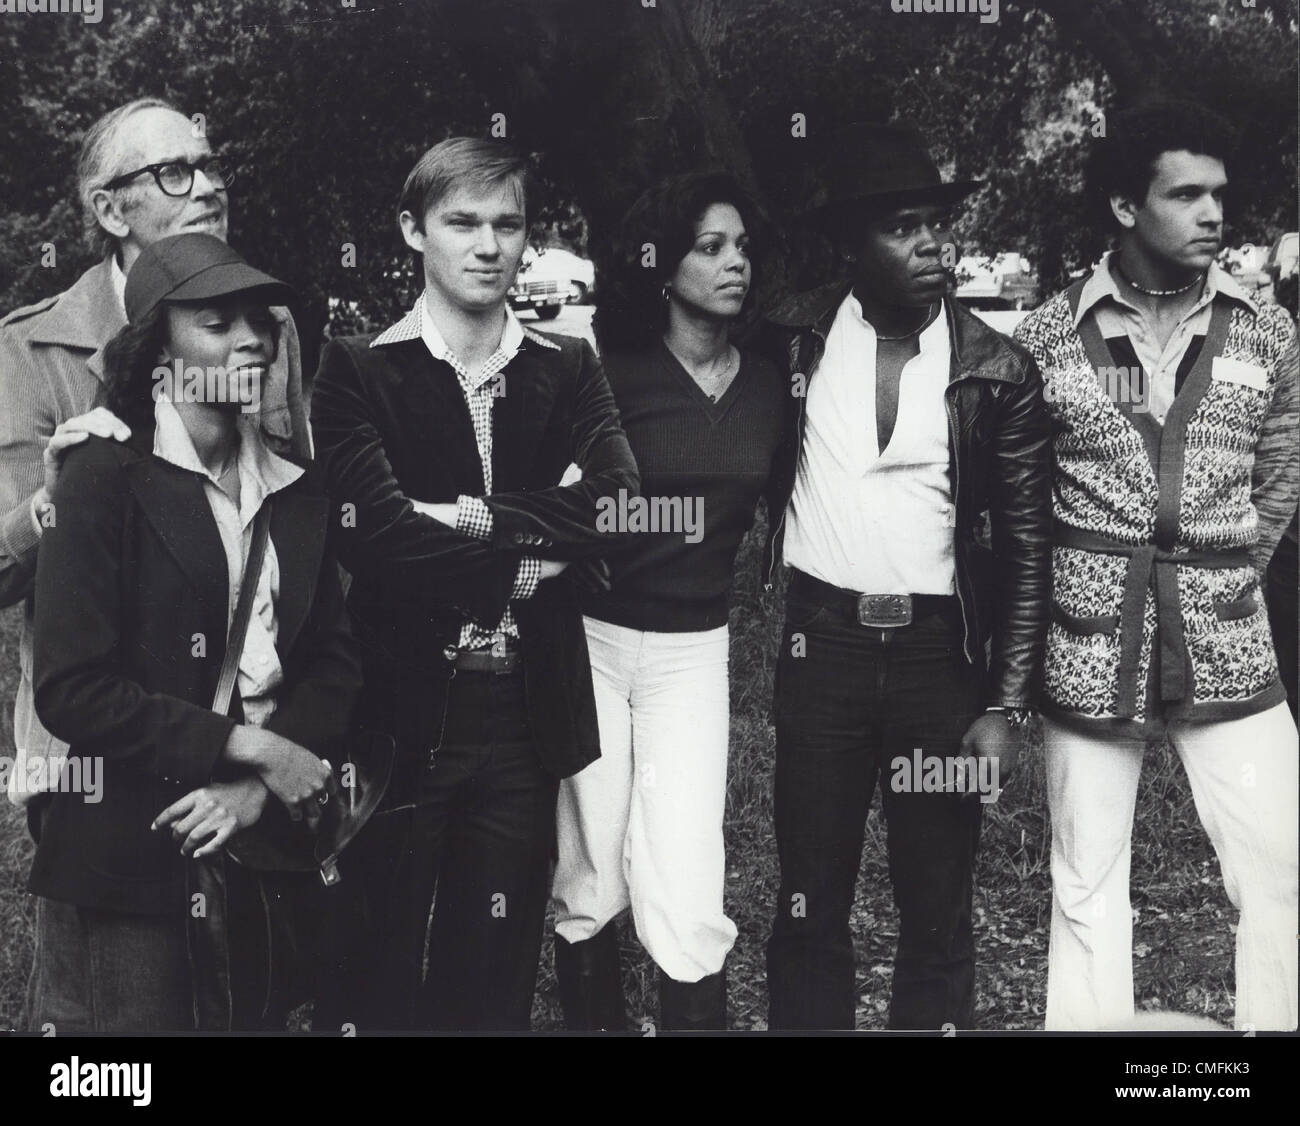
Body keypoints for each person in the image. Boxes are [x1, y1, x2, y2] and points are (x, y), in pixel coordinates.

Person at [310, 136, 639, 1031]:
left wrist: (462, 516)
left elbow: (619, 506)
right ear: (413, 230)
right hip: (402, 704)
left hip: (524, 713)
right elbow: (377, 536)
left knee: (489, 975)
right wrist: (541, 547)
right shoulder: (358, 369)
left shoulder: (567, 365)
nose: (489, 245)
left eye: (509, 223)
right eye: (463, 222)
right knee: (375, 963)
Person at [1014, 100, 1299, 1032]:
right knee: (1086, 881)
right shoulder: (1049, 336)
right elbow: (1018, 496)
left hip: (1230, 648)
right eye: (1186, 194)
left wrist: (1230, 571)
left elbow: (1282, 461)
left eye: (1219, 194)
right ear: (1125, 207)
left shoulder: (1264, 333)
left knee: (1282, 864)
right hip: (1091, 645)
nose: (1213, 213)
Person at [26, 233, 359, 1032]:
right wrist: (251, 747)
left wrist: (255, 789)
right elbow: (73, 690)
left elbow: (335, 663)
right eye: (217, 322)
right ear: (158, 349)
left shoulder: (298, 487)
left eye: (261, 321)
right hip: (137, 845)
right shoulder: (104, 477)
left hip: (261, 839)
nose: (252, 337)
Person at [761, 123, 1052, 1030]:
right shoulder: (792, 343)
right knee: (810, 899)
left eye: (937, 224)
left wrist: (1004, 707)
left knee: (937, 906)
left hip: (938, 661)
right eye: (903, 227)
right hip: (823, 655)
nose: (933, 244)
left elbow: (1030, 547)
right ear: (852, 242)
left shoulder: (996, 369)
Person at [0, 97, 310, 822]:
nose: (206, 188)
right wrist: (52, 501)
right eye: (174, 172)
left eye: (208, 167)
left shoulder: (269, 327)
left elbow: (299, 530)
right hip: (98, 764)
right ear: (111, 210)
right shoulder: (31, 348)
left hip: (256, 748)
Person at [550, 172, 786, 1031]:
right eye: (710, 247)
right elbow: (552, 505)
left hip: (694, 651)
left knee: (688, 872)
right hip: (596, 641)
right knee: (591, 872)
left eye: (743, 247)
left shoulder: (767, 383)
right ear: (661, 268)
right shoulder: (604, 374)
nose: (735, 264)